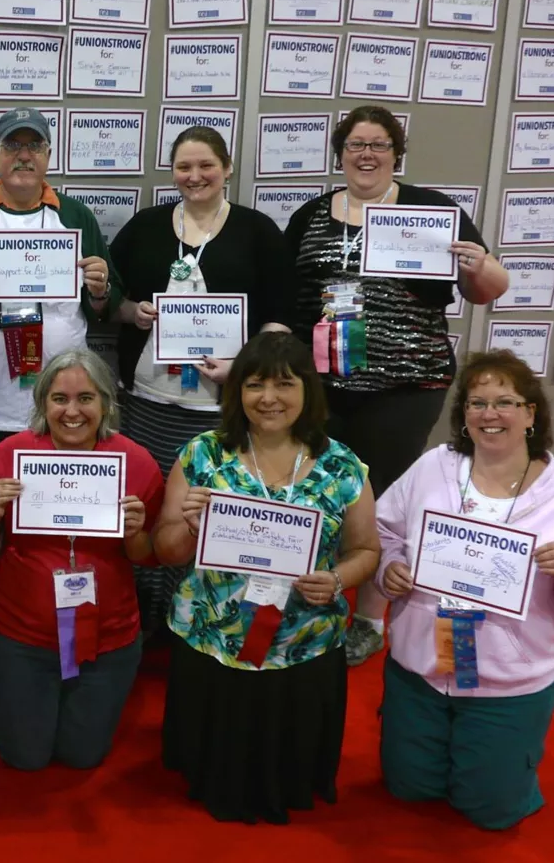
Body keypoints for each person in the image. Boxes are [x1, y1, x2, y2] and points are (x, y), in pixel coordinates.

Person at [374, 350, 554, 830]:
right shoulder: (435, 466)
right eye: (477, 403)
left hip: (507, 679)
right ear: (463, 415)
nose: (489, 414)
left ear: (530, 414)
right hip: (422, 664)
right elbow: (386, 528)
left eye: (505, 402)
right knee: (409, 787)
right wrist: (391, 565)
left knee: (490, 810)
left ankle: (505, 762)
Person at [283, 105, 509, 665]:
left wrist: (478, 264)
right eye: (356, 144)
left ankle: (367, 618)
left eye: (379, 144)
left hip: (406, 388)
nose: (367, 154)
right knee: (325, 496)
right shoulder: (311, 215)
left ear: (395, 153)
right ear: (340, 153)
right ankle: (320, 597)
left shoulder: (433, 210)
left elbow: (490, 289)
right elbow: (289, 298)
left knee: (382, 502)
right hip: (324, 387)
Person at [151, 332, 380, 824]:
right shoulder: (203, 454)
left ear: (307, 390)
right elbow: (165, 551)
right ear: (238, 392)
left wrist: (338, 579)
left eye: (284, 384)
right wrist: (190, 527)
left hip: (303, 638)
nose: (269, 398)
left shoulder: (342, 464)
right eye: (255, 385)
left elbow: (365, 551)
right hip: (214, 633)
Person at [112, 125, 297, 634]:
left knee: (204, 512)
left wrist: (246, 367)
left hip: (223, 408)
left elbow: (281, 318)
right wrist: (134, 313)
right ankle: (139, 623)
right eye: (184, 167)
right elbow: (109, 301)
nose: (194, 177)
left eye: (205, 166)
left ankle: (190, 621)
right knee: (148, 510)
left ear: (227, 168)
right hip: (148, 400)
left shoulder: (257, 232)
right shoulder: (146, 226)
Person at [0, 350, 163, 771]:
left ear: (106, 403)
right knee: (25, 758)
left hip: (107, 638)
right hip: (18, 635)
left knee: (82, 756)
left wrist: (136, 532)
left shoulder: (137, 462)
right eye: (59, 398)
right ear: (42, 403)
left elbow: (147, 559)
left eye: (86, 398)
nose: (72, 411)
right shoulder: (8, 457)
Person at [0, 107, 120, 486]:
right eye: (12, 145)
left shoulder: (75, 216)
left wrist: (101, 290)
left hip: (61, 411)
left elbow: (103, 308)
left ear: (49, 155)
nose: (24, 155)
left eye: (34, 145)